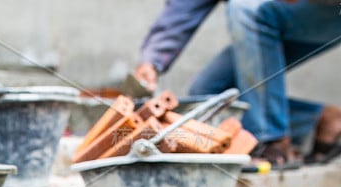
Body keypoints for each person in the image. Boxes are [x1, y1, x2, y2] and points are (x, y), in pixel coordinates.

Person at [134, 0, 341, 168]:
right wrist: (152, 60)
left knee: (245, 7)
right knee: (211, 95)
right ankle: (320, 120)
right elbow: (184, 7)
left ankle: (271, 141)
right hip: (277, 14)